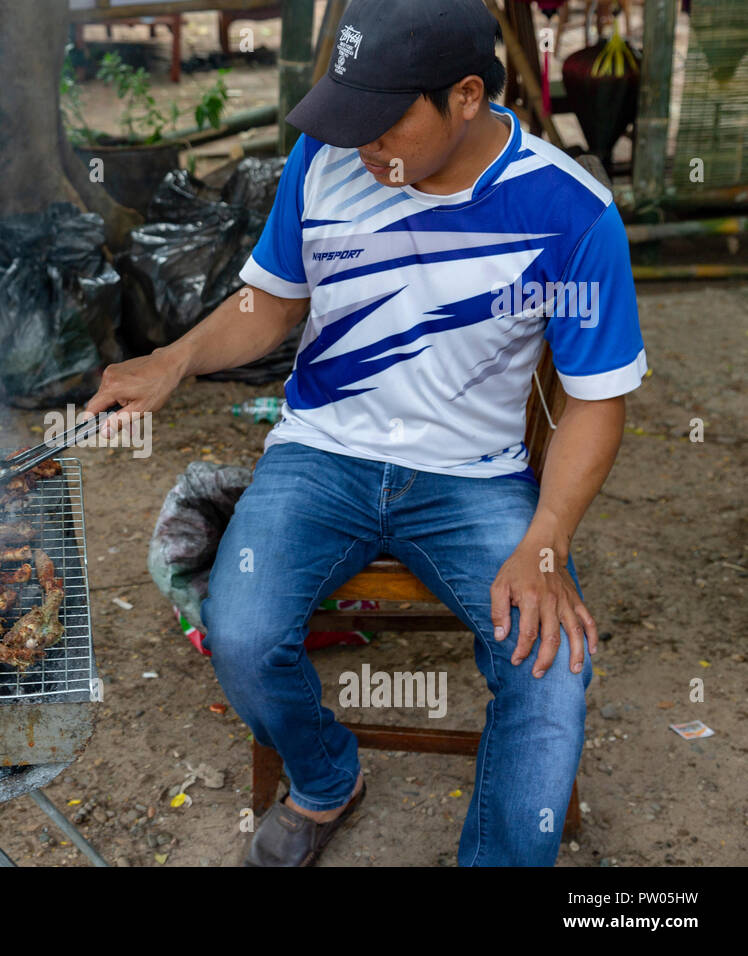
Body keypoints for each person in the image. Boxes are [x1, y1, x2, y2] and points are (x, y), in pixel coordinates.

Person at [84, 0, 645, 866]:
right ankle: (324, 778)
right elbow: (271, 303)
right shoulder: (329, 157)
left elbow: (596, 400)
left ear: (466, 96)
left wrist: (546, 540)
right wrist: (176, 359)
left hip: (474, 481)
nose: (362, 146)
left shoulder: (571, 211)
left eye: (383, 122)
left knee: (550, 668)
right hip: (321, 456)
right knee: (238, 628)